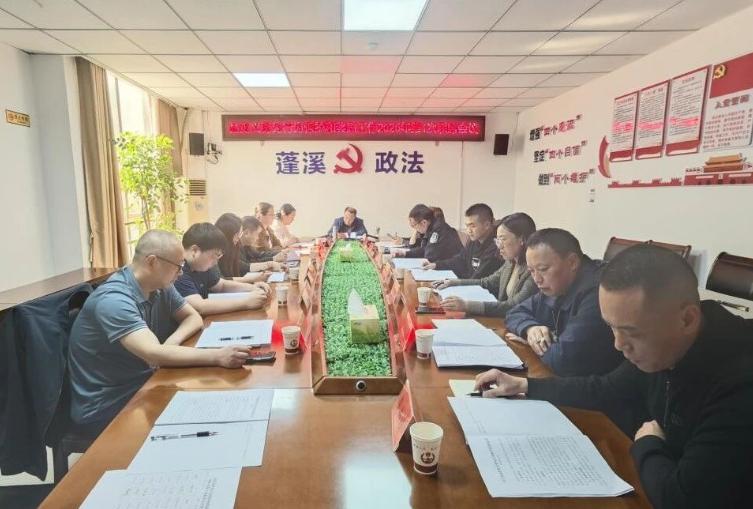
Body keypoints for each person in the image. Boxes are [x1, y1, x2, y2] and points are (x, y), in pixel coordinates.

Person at [474, 244, 753, 509]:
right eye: (612, 328)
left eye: (631, 332)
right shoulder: (664, 345)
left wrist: (648, 444)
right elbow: (606, 388)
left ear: (687, 320)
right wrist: (524, 385)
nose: (619, 345)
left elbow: (681, 500)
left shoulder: (739, 384)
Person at [68, 230, 253, 433]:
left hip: (145, 382)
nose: (181, 273)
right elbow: (152, 354)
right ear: (152, 262)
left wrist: (170, 344)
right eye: (178, 266)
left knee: (223, 408)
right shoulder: (114, 299)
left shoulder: (160, 285)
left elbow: (193, 318)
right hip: (109, 404)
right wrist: (218, 356)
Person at [504, 228, 622, 376]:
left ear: (572, 262)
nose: (537, 279)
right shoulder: (557, 284)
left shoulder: (599, 291)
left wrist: (538, 343)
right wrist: (530, 329)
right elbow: (514, 312)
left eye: (543, 269)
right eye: (531, 271)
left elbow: (565, 359)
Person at [437, 212, 538, 317]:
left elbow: (512, 306)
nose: (499, 246)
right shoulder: (510, 262)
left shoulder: (534, 271)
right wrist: (453, 282)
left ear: (522, 240)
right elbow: (487, 282)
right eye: (498, 240)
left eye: (503, 239)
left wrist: (466, 305)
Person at [174, 222, 270, 316]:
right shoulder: (178, 271)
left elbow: (222, 285)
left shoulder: (199, 266)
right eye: (215, 256)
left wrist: (253, 288)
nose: (216, 263)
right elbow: (200, 307)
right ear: (195, 250)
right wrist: (246, 302)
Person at [424, 203, 501, 279]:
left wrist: (455, 283)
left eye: (473, 226)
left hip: (478, 285)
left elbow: (479, 278)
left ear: (487, 225)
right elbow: (460, 260)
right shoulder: (474, 241)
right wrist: (436, 265)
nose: (469, 230)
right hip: (468, 283)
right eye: (467, 226)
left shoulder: (497, 247)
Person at [392, 204, 463, 262]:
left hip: (456, 272)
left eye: (414, 226)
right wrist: (405, 254)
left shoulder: (438, 229)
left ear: (424, 222)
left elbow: (429, 255)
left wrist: (407, 254)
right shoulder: (432, 227)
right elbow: (425, 249)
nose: (415, 229)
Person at [215, 212, 270, 283]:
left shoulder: (235, 245)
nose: (238, 238)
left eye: (239, 234)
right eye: (237, 234)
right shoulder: (217, 252)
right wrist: (252, 280)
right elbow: (219, 281)